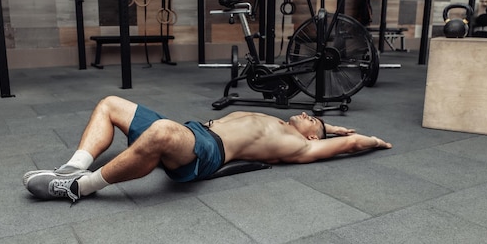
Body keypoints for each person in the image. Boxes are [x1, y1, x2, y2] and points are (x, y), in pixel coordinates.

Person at [24, 96, 392, 203]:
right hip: (194, 131)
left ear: (314, 137)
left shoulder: (298, 146)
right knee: (109, 104)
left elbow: (353, 142)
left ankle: (78, 187)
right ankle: (73, 167)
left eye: (312, 119)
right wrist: (334, 125)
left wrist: (373, 141)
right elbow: (332, 130)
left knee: (162, 132)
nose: (305, 113)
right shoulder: (279, 122)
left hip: (209, 151)